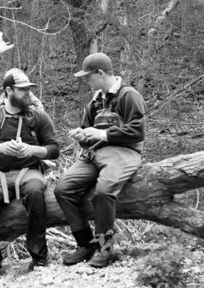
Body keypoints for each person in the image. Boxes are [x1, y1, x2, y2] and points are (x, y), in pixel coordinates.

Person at [54, 53, 146, 268]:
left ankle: (105, 247)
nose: (87, 81)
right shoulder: (95, 102)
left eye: (89, 76)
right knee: (62, 189)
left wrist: (103, 134)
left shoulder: (128, 95)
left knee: (103, 191)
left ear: (101, 73)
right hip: (95, 154)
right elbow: (89, 131)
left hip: (124, 153)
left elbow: (137, 131)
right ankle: (85, 243)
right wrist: (83, 135)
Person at [0, 68, 59, 280]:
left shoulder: (38, 117)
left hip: (30, 172)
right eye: (22, 90)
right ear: (8, 90)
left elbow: (54, 149)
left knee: (35, 193)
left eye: (29, 89)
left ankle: (39, 258)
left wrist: (34, 150)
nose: (28, 94)